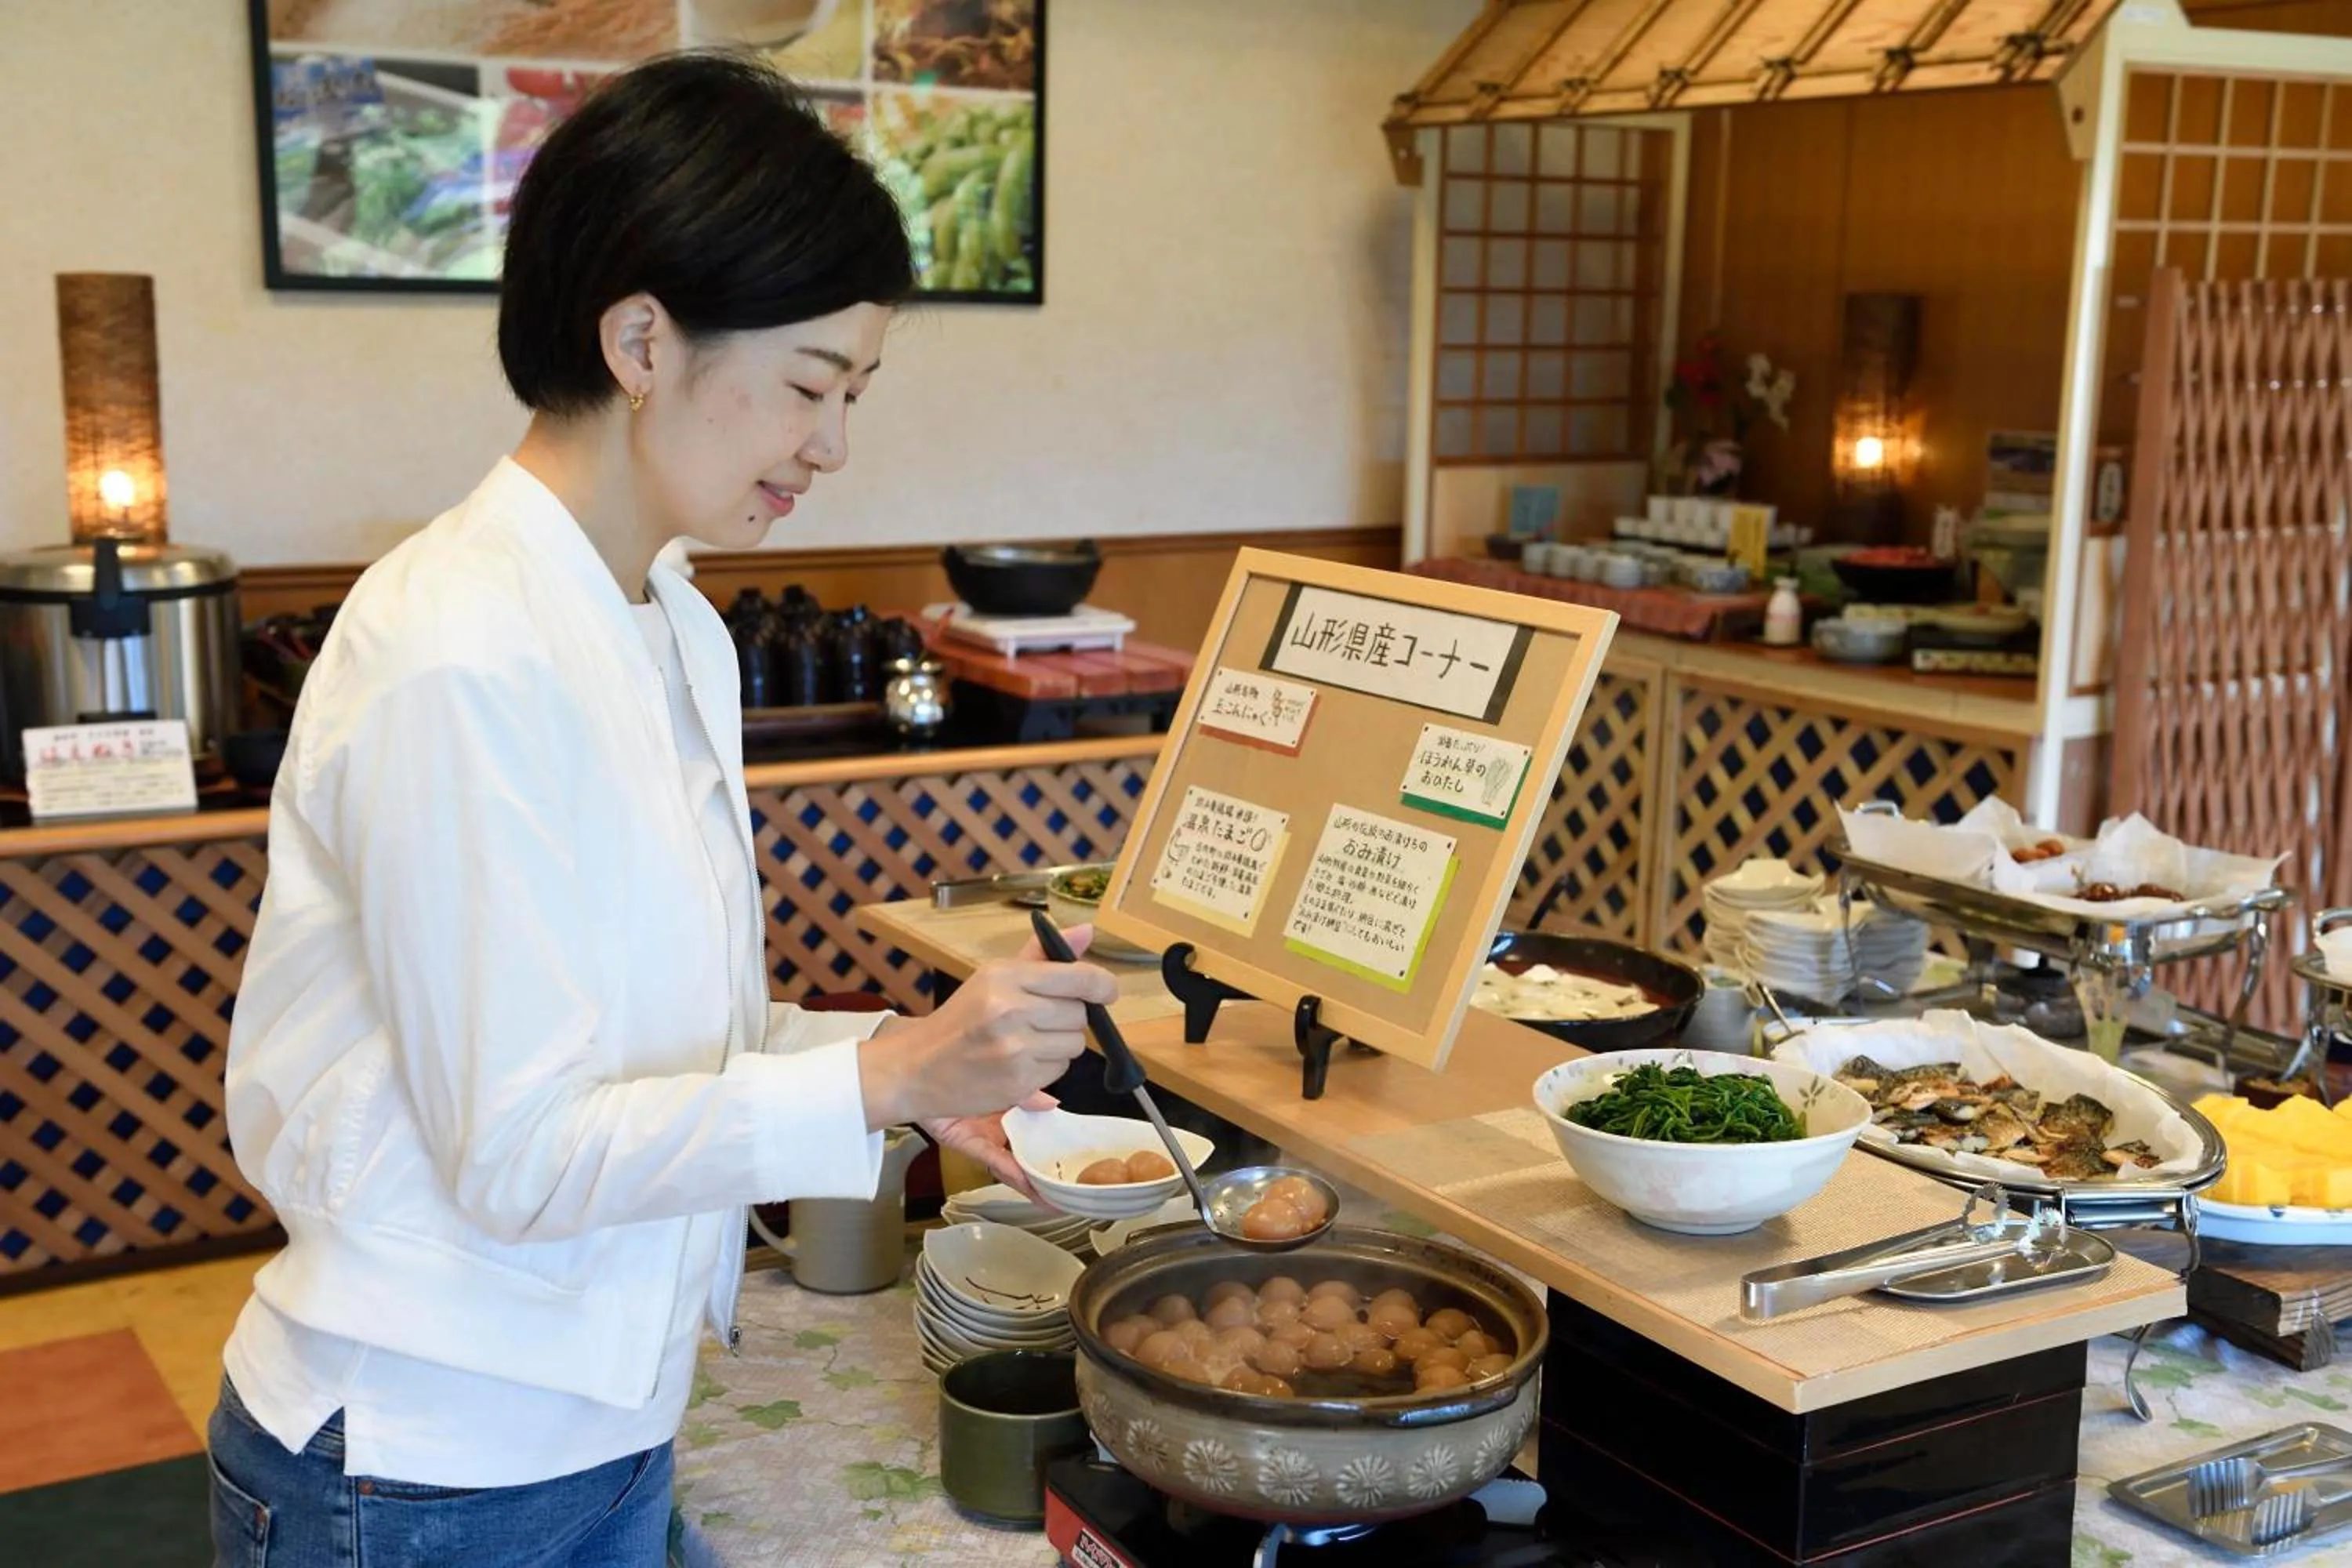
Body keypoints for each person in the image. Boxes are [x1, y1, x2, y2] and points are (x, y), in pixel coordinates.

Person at [206, 52, 1116, 1568]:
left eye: (854, 396)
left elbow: (664, 1039)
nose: (832, 445)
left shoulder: (667, 616)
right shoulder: (457, 646)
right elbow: (522, 1154)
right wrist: (881, 1079)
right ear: (640, 340)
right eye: (811, 386)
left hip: (600, 1421)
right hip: (427, 1460)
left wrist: (917, 1073)